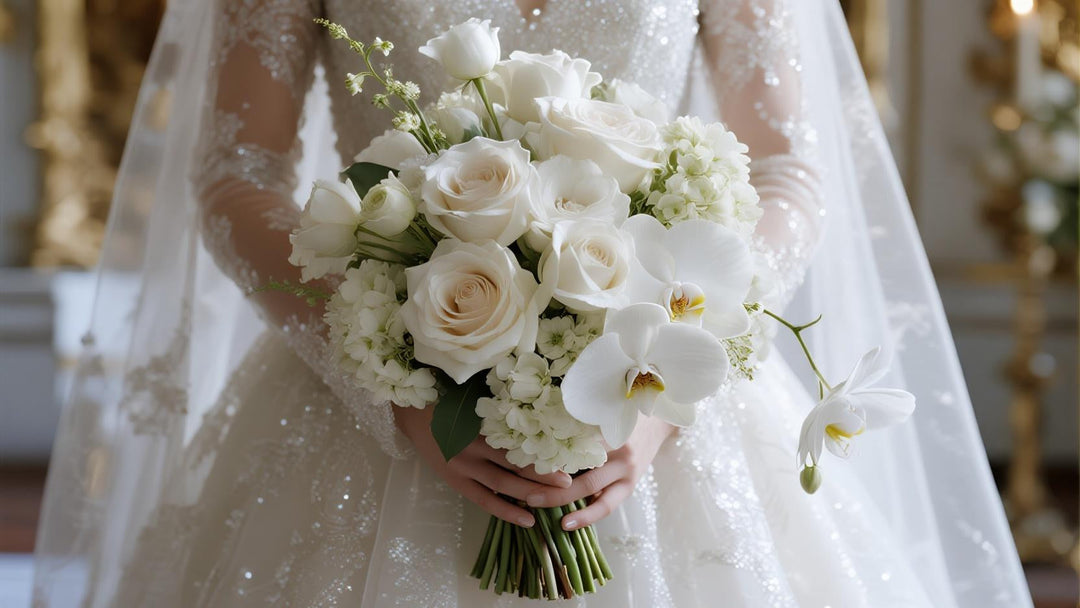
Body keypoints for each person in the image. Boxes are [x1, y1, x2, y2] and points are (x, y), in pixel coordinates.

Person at [31, 1, 1033, 606]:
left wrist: (666, 388)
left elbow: (786, 169)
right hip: (376, 398)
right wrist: (386, 385)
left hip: (658, 388)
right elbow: (237, 173)